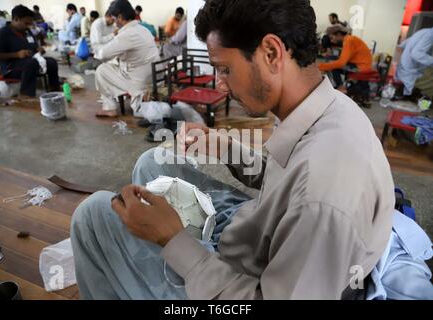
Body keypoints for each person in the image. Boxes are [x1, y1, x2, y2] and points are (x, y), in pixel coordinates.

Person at [71, 0, 396, 300]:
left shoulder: (324, 195)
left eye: (224, 69)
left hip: (249, 282)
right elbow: (284, 181)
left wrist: (174, 241)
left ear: (271, 52)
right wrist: (225, 147)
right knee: (153, 162)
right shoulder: (326, 105)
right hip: (262, 231)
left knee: (94, 214)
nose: (220, 84)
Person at [93, 0, 159, 117]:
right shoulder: (143, 29)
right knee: (114, 64)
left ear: (120, 17)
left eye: (114, 19)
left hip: (139, 82)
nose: (114, 23)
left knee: (102, 70)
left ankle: (110, 108)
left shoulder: (127, 34)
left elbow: (103, 54)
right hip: (152, 77)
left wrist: (97, 52)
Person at [0, 5, 60, 98]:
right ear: (16, 19)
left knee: (51, 62)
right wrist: (16, 54)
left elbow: (34, 47)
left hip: (30, 63)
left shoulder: (27, 32)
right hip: (11, 69)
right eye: (26, 23)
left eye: (30, 24)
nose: (28, 26)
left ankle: (54, 89)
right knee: (31, 63)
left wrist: (39, 49)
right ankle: (26, 95)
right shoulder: (2, 34)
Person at [318, 25, 373, 89]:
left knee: (334, 65)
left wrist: (321, 66)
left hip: (361, 67)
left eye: (331, 38)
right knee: (333, 60)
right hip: (360, 64)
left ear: (338, 34)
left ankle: (341, 88)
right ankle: (340, 85)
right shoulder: (349, 39)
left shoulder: (348, 40)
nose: (331, 41)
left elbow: (341, 63)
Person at [395, 27, 433, 98]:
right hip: (410, 75)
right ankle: (423, 105)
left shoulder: (423, 31)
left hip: (403, 72)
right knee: (429, 91)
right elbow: (416, 54)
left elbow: (402, 45)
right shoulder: (431, 35)